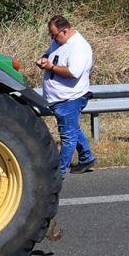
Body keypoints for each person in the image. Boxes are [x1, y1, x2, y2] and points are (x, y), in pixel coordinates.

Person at [39, 14, 96, 175]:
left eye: (54, 35)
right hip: (59, 98)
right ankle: (86, 158)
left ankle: (59, 172)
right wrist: (44, 59)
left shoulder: (78, 46)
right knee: (71, 129)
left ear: (64, 31)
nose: (52, 38)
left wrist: (50, 67)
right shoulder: (59, 41)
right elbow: (49, 53)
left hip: (70, 98)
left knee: (68, 137)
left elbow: (73, 72)